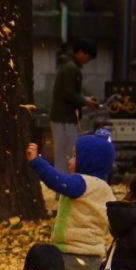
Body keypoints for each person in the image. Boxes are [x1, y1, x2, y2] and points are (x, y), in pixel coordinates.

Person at [26, 129, 116, 270]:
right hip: (94, 255)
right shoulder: (106, 190)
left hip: (71, 254)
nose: (69, 158)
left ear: (88, 160)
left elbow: (57, 181)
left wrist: (37, 162)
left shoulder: (81, 183)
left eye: (75, 155)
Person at [49, 40, 99, 173]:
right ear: (81, 53)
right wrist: (85, 101)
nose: (88, 60)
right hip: (64, 118)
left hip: (64, 117)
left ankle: (62, 185)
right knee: (65, 154)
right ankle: (62, 186)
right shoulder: (71, 68)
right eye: (88, 56)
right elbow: (68, 93)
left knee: (65, 153)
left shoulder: (68, 67)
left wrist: (84, 99)